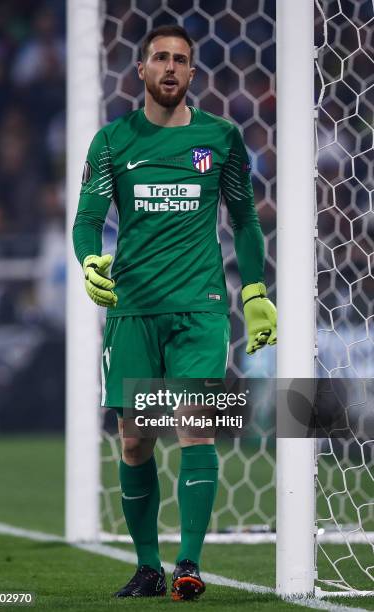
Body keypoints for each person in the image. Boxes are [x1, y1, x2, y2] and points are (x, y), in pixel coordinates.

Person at [73, 24, 276, 601]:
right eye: (158, 57)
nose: (168, 67)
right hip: (134, 309)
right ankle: (147, 566)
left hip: (201, 307)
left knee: (195, 424)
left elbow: (244, 219)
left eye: (179, 60)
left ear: (191, 73)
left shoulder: (222, 138)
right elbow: (87, 221)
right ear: (140, 70)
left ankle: (187, 563)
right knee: (134, 440)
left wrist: (255, 292)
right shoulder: (112, 142)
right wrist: (91, 261)